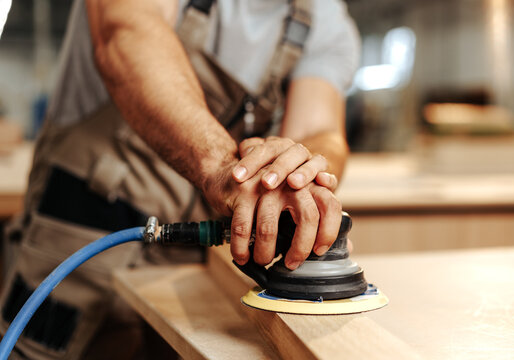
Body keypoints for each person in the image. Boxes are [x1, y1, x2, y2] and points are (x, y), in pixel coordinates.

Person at [0, 0, 360, 358]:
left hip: (188, 262)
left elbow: (319, 129)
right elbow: (126, 34)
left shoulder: (322, 15)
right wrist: (224, 167)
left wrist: (299, 173)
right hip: (78, 234)